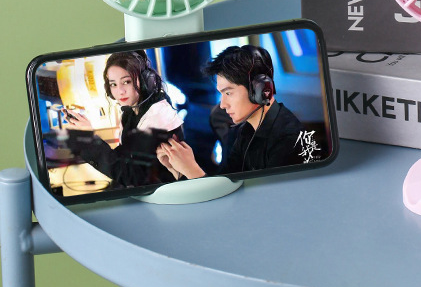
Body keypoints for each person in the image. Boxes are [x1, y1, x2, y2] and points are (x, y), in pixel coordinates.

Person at [158, 44, 305, 179]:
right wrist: (179, 170)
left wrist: (191, 170)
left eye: (228, 93)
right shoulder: (243, 131)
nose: (222, 105)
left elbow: (252, 200)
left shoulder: (289, 141)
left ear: (260, 90)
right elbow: (225, 184)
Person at [64, 50, 184, 188]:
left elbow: (131, 176)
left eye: (126, 82)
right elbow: (124, 155)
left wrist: (90, 141)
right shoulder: (132, 112)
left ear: (145, 81)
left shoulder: (158, 116)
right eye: (113, 84)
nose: (120, 91)